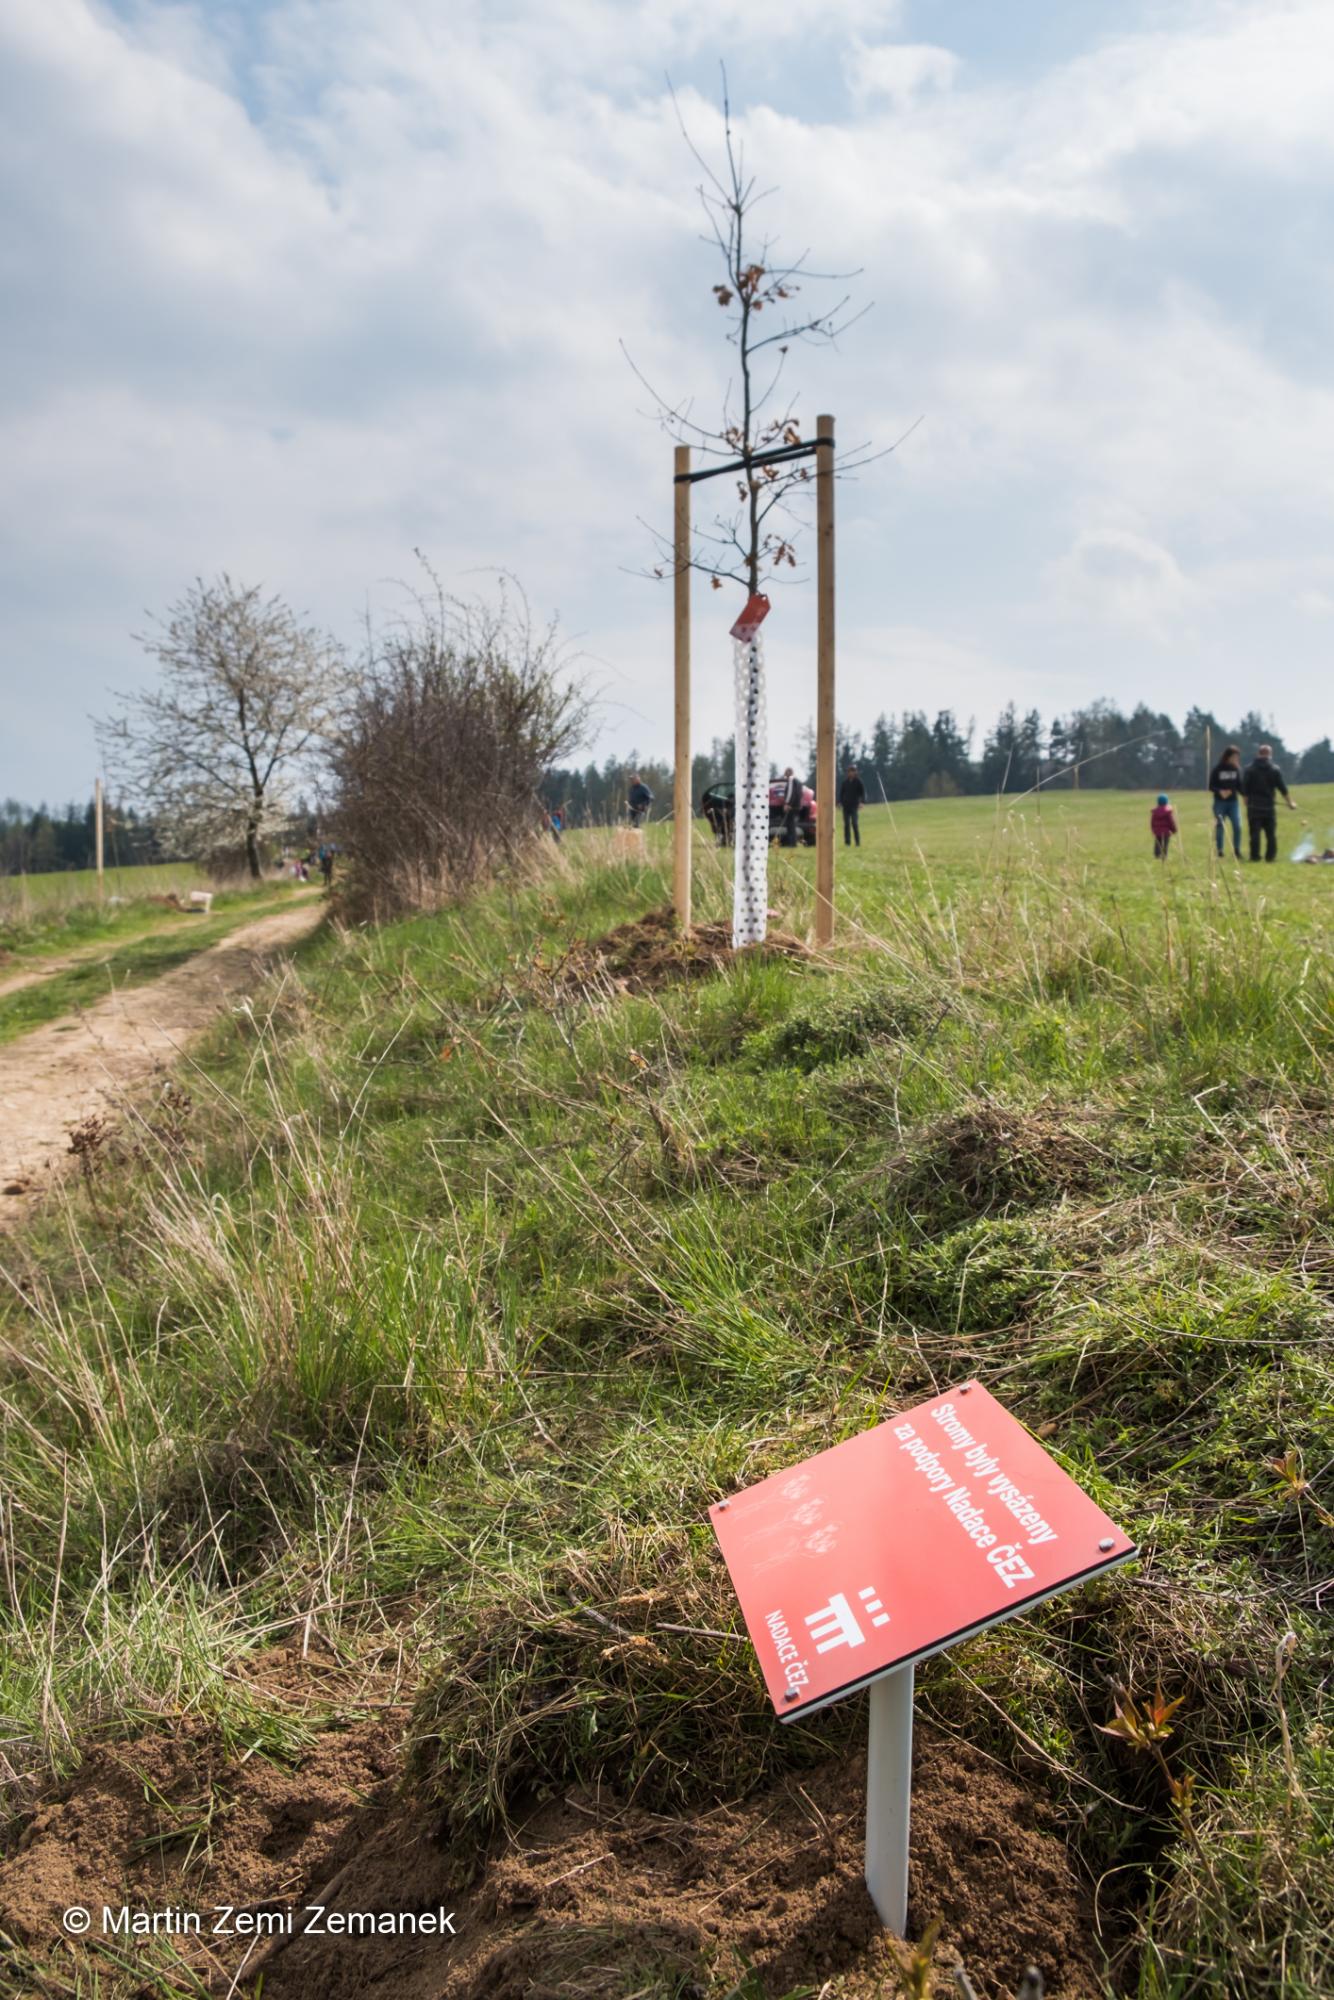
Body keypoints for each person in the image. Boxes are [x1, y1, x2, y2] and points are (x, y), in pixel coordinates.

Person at [1242, 744, 1296, 862]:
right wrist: (1290, 803)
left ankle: (1255, 857)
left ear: (1258, 753)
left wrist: (1246, 801)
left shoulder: (1249, 769)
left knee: (1254, 834)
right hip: (1268, 807)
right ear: (1270, 754)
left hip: (1254, 806)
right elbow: (1282, 788)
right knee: (1270, 834)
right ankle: (1270, 857)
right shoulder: (1274, 769)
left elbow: (1244, 789)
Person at [1207, 745, 1244, 858]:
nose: (1236, 759)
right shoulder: (1217, 769)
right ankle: (1220, 851)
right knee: (1220, 826)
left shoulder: (1236, 769)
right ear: (1228, 756)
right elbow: (1211, 786)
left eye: (1237, 757)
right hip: (1220, 802)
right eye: (1234, 757)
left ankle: (1236, 850)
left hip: (1233, 803)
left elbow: (1239, 786)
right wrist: (1220, 791)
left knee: (1237, 825)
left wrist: (1246, 795)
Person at [839, 763, 866, 846]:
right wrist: (840, 802)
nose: (851, 773)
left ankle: (857, 842)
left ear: (855, 772)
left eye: (853, 771)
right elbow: (841, 794)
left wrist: (862, 802)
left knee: (854, 823)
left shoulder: (858, 782)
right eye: (849, 771)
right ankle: (847, 842)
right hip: (846, 806)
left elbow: (863, 793)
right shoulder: (845, 782)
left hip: (854, 806)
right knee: (846, 824)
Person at [779, 767, 803, 847]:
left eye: (786, 773)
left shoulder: (791, 780)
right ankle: (793, 842)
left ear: (788, 773)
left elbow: (790, 793)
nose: (785, 775)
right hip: (797, 805)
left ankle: (792, 843)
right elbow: (799, 793)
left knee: (790, 825)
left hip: (791, 806)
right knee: (793, 824)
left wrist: (787, 804)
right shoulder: (798, 781)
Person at [1150, 794, 1178, 860]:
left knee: (1158, 843)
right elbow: (1171, 822)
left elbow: (1152, 822)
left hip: (1157, 831)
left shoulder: (1155, 812)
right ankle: (1164, 856)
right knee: (1165, 844)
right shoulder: (1168, 812)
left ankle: (1157, 855)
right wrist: (1174, 829)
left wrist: (1153, 830)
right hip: (1166, 831)